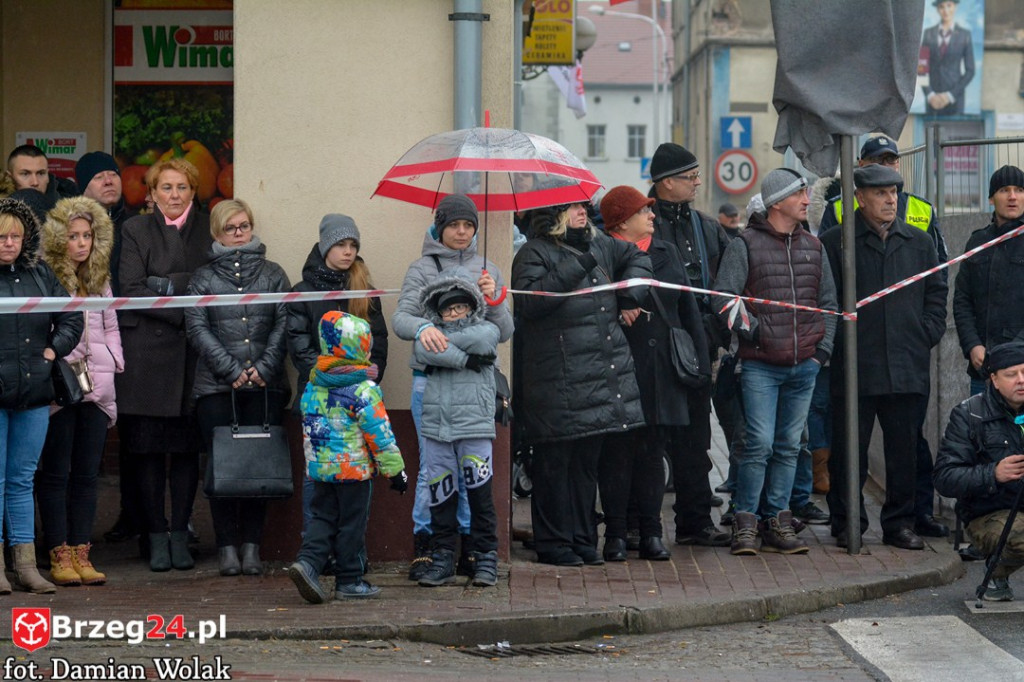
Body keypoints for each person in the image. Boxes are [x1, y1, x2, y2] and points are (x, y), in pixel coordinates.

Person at [820, 135, 950, 539]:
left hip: (907, 364)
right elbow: (825, 300)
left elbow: (937, 291)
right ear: (859, 198)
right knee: (848, 452)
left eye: (893, 192)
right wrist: (841, 344)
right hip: (856, 365)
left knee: (904, 451)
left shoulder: (920, 242)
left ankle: (900, 523)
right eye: (880, 193)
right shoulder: (837, 242)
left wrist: (925, 332)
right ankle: (848, 524)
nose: (891, 200)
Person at [512, 201, 652, 566]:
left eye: (583, 206)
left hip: (599, 376)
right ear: (553, 215)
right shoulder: (533, 252)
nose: (582, 213)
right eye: (572, 207)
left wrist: (629, 295)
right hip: (555, 378)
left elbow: (638, 258)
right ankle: (555, 542)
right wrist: (581, 262)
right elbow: (532, 303)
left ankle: (583, 539)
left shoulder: (602, 243)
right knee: (555, 463)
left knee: (586, 464)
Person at [712, 168, 837, 555]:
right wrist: (756, 333)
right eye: (800, 193)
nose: (806, 200)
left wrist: (821, 352)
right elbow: (722, 298)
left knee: (788, 446)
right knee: (758, 443)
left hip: (805, 366)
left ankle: (777, 520)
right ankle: (746, 522)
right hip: (760, 366)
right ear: (777, 201)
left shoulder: (814, 247)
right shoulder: (745, 244)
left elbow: (829, 304)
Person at [392, 194, 513, 580]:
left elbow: (502, 333)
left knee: (471, 472)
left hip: (473, 391)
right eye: (454, 225)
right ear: (439, 226)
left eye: (468, 225)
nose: (461, 232)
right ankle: (429, 547)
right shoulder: (422, 268)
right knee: (434, 469)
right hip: (430, 386)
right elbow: (402, 320)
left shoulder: (487, 268)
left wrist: (493, 298)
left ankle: (471, 550)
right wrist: (426, 328)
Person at [599, 185, 710, 561]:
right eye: (643, 211)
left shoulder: (666, 251)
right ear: (622, 222)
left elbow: (688, 307)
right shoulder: (600, 255)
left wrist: (699, 358)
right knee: (617, 454)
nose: (652, 216)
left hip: (662, 370)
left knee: (651, 454)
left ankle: (651, 533)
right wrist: (616, 305)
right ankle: (616, 533)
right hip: (618, 368)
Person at [185, 199, 291, 577]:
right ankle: (227, 547)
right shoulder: (202, 278)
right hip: (216, 388)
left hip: (266, 386)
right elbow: (197, 327)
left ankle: (252, 546)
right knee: (224, 468)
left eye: (244, 225)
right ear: (217, 233)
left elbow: (284, 322)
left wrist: (264, 368)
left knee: (258, 470)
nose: (239, 233)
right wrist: (231, 370)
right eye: (231, 228)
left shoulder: (274, 274)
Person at [116, 158, 212, 572]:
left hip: (193, 353)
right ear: (151, 193)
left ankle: (179, 535)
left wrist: (167, 285)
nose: (174, 195)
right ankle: (154, 535)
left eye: (182, 187)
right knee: (149, 452)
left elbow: (210, 284)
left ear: (194, 191)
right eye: (166, 188)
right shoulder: (135, 229)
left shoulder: (209, 227)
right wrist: (183, 291)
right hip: (147, 358)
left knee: (188, 451)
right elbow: (132, 287)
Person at [286, 311, 407, 604]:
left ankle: (309, 563)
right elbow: (380, 434)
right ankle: (349, 580)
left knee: (322, 518)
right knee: (352, 524)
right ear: (360, 348)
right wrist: (396, 472)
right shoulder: (363, 390)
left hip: (320, 469)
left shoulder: (314, 384)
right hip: (353, 473)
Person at [36, 197, 123, 587]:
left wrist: (114, 359)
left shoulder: (100, 278)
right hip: (59, 383)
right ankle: (57, 553)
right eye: (73, 236)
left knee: (87, 474)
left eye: (88, 235)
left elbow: (112, 325)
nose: (81, 243)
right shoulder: (45, 276)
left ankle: (81, 551)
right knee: (55, 473)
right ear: (58, 239)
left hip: (98, 384)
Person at [648, 143, 732, 544]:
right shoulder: (643, 224)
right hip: (654, 347)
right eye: (690, 176)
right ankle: (642, 528)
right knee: (651, 442)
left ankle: (695, 523)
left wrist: (715, 331)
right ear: (666, 183)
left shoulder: (707, 226)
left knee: (697, 437)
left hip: (700, 345)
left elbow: (728, 281)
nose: (698, 182)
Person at [0, 198, 84, 594]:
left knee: (21, 480)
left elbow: (71, 315)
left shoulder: (40, 272)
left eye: (15, 236)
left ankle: (26, 565)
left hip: (34, 392)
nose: (8, 243)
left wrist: (54, 350)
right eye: (1, 236)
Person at [286, 214, 388, 537]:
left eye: (353, 245)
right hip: (317, 399)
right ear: (325, 246)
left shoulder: (363, 290)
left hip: (358, 402)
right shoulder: (302, 292)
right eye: (341, 244)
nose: (348, 252)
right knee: (316, 476)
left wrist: (371, 373)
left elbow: (379, 340)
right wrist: (330, 377)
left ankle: (349, 550)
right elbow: (299, 346)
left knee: (355, 473)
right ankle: (315, 550)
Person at [412, 278, 501, 586]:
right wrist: (466, 361)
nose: (455, 313)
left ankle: (487, 557)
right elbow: (423, 353)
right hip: (437, 427)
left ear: (472, 307)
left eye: (461, 306)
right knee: (441, 496)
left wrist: (446, 346)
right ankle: (443, 557)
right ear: (438, 313)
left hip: (474, 425)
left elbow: (486, 341)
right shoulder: (427, 335)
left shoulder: (486, 328)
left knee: (480, 495)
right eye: (449, 309)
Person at [934, 342, 1024, 602]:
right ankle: (997, 570)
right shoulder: (969, 413)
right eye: (1011, 374)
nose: (1021, 380)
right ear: (994, 379)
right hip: (987, 512)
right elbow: (945, 478)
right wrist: (993, 473)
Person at [953, 165, 1024, 397]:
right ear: (991, 198)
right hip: (983, 370)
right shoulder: (977, 242)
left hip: (1020, 370)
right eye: (1004, 190)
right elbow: (962, 301)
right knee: (981, 430)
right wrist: (972, 345)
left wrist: (1014, 351)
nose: (1012, 197)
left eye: (1019, 190)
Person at [920, 0, 975, 116]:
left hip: (955, 99)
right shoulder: (928, 33)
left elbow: (970, 71)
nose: (945, 11)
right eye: (941, 7)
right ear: (937, 9)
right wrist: (930, 95)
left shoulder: (965, 35)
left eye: (949, 6)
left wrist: (950, 95)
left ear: (955, 7)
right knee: (931, 132)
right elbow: (922, 68)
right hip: (933, 101)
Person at [5, 144, 78, 203]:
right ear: (9, 178)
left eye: (41, 173)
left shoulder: (71, 210)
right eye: (25, 174)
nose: (35, 182)